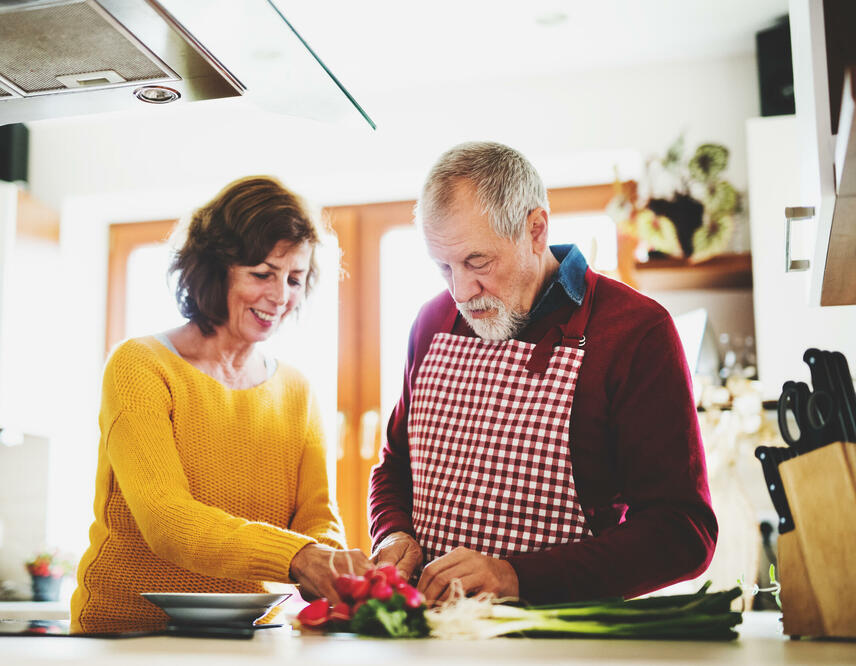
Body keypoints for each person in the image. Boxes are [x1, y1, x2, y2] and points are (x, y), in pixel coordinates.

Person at [369, 142, 717, 605]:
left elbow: (683, 532)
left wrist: (515, 577)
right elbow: (394, 466)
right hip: (434, 632)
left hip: (564, 638)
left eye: (477, 262)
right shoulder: (430, 323)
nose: (461, 291)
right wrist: (391, 533)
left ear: (536, 230)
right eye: (443, 267)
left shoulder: (635, 332)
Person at [71, 176, 369, 634]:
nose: (280, 296)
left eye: (295, 278)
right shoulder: (140, 366)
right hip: (126, 633)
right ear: (215, 268)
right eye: (262, 273)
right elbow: (168, 521)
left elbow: (318, 521)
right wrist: (299, 557)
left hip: (252, 637)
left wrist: (329, 564)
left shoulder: (296, 390)